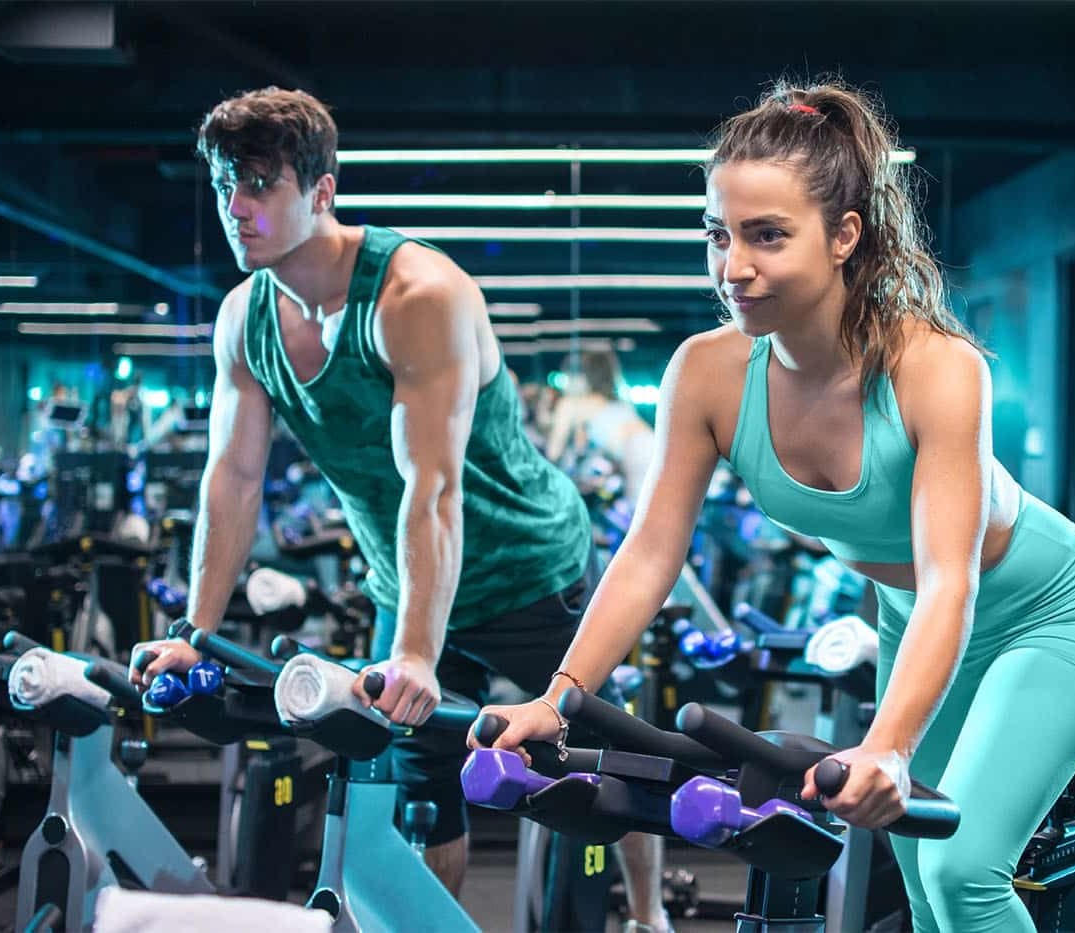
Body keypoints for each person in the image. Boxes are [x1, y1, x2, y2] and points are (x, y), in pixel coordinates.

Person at [472, 80, 1075, 933]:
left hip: (1052, 613)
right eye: (718, 234)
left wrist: (889, 742)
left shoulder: (936, 369)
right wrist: (557, 699)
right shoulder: (707, 375)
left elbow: (949, 582)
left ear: (844, 235)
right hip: (915, 619)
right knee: (920, 874)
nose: (732, 266)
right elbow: (648, 551)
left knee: (965, 867)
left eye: (767, 236)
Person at [126, 87, 668, 929]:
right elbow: (231, 479)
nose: (237, 209)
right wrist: (191, 633)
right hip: (405, 577)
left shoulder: (416, 294)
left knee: (609, 753)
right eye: (225, 185)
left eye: (261, 183)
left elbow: (434, 485)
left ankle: (648, 915)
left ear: (321, 191)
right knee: (422, 786)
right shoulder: (245, 320)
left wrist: (417, 652)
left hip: (528, 565)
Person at [546, 348, 656, 500]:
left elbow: (553, 453)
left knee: (643, 517)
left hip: (638, 458)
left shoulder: (571, 404)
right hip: (654, 448)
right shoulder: (617, 402)